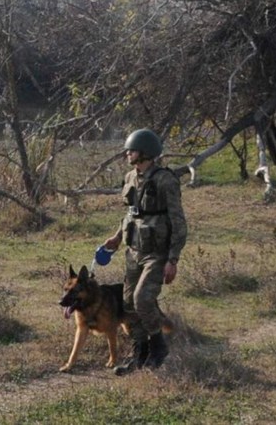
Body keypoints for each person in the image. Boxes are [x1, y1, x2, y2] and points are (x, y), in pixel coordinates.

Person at [101, 128, 187, 374]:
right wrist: (117, 237)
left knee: (143, 300)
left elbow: (178, 221)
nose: (128, 153)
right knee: (128, 303)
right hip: (134, 250)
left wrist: (173, 259)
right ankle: (140, 353)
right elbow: (131, 213)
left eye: (132, 150)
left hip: (157, 253)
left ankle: (158, 348)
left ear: (146, 153)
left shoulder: (165, 180)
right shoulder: (130, 178)